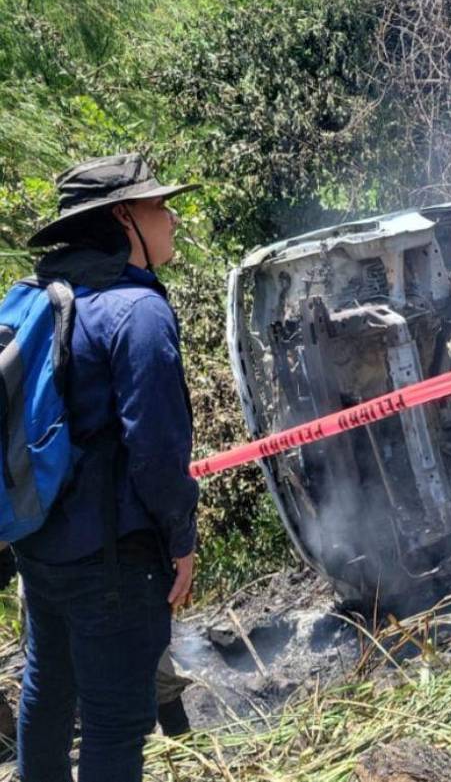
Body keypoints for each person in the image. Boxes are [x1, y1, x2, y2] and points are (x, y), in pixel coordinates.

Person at [11, 154, 200, 781]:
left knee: (47, 693)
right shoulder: (135, 312)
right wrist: (181, 540)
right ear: (124, 217)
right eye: (158, 206)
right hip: (114, 564)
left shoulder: (45, 293)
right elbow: (157, 450)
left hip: (41, 547)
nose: (171, 217)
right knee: (114, 727)